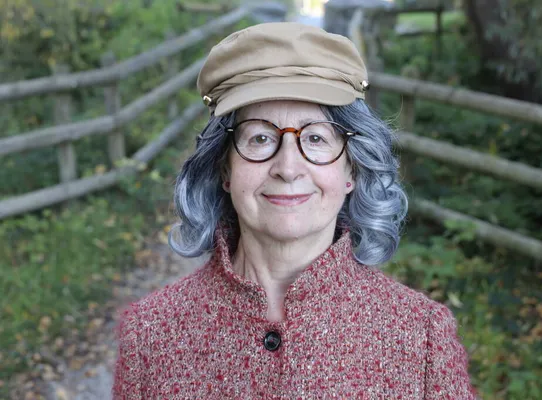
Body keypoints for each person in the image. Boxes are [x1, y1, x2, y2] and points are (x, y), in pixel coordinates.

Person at [113, 22, 476, 399]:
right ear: (225, 168)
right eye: (260, 138)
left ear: (352, 168)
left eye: (316, 137)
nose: (288, 168)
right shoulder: (149, 335)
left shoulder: (422, 337)